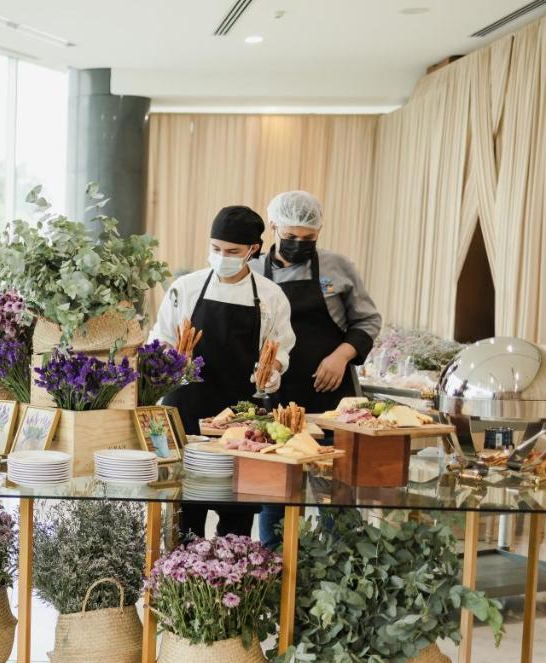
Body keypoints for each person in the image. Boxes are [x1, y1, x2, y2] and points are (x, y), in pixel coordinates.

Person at [152, 205, 295, 541]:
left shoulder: (271, 297)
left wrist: (272, 372)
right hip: (186, 410)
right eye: (216, 249)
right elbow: (159, 341)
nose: (222, 256)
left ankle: (233, 586)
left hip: (242, 417)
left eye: (232, 251)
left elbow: (279, 349)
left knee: (237, 517)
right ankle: (181, 587)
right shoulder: (184, 289)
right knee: (185, 517)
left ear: (252, 250)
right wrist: (168, 364)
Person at [251, 190, 382, 549]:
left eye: (308, 239)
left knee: (335, 498)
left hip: (331, 402)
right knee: (275, 497)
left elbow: (368, 321)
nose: (299, 245)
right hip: (274, 400)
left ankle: (339, 577)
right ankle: (274, 572)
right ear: (274, 226)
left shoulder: (338, 267)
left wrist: (341, 356)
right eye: (291, 237)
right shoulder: (252, 272)